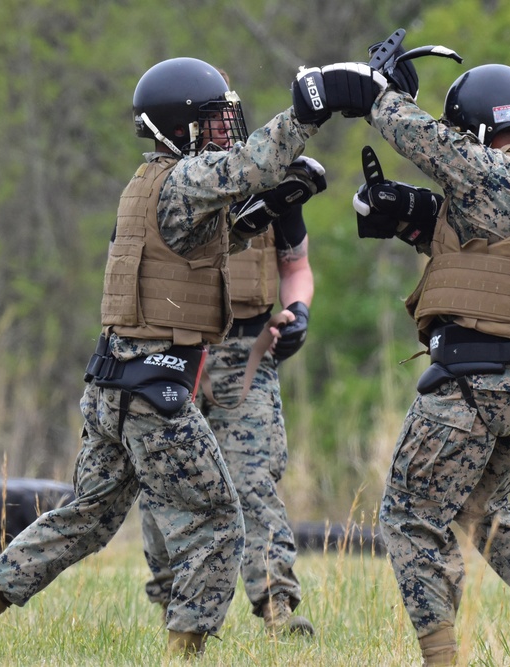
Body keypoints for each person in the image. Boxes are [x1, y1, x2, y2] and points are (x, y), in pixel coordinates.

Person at [0, 54, 382, 657]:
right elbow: (250, 164)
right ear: (180, 125)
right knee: (219, 520)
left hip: (114, 381)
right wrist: (308, 109)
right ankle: (182, 653)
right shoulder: (184, 181)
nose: (223, 130)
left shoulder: (148, 183)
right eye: (212, 121)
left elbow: (190, 250)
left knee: (84, 516)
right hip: (155, 390)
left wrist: (259, 218)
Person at [343, 53, 510, 666]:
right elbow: (495, 251)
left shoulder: (492, 174)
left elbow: (433, 147)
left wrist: (375, 96)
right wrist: (411, 217)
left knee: (410, 513)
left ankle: (441, 659)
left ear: (477, 130)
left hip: (478, 380)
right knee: (478, 505)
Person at [139, 186, 318, 638]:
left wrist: (298, 310)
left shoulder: (275, 191)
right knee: (164, 481)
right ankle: (174, 608)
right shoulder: (165, 187)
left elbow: (295, 265)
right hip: (173, 348)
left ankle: (277, 608)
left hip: (245, 350)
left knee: (252, 479)